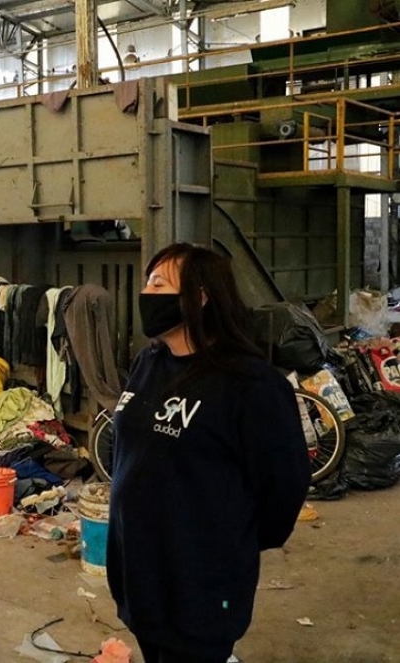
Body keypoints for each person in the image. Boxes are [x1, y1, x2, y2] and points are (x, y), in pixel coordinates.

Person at [106, 242, 311, 663]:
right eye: (147, 283)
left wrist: (229, 543)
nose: (147, 293)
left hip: (199, 586)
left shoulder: (249, 384)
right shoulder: (150, 361)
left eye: (158, 283)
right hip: (142, 577)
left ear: (198, 298)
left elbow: (284, 486)